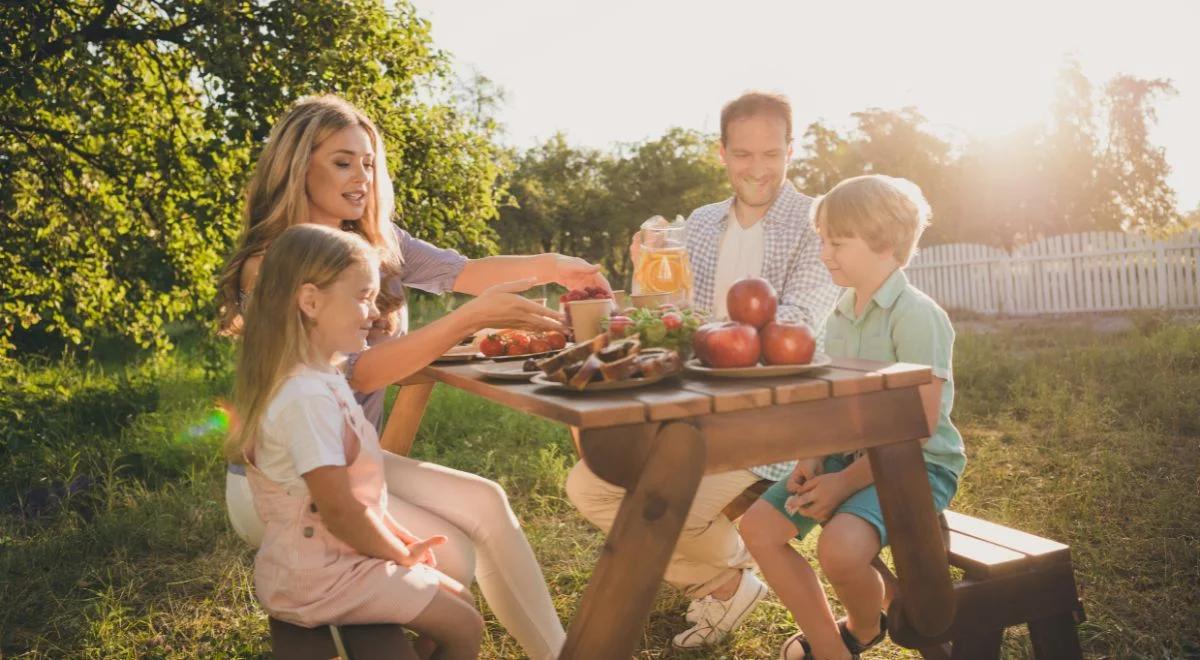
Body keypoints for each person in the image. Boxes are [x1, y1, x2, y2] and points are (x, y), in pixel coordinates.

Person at [219, 95, 580, 659]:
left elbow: (464, 271)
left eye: (367, 163)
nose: (361, 176)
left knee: (486, 501)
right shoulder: (275, 264)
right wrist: (468, 320)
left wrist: (555, 267)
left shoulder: (372, 243)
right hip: (291, 483)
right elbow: (353, 372)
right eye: (342, 161)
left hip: (351, 462)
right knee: (453, 556)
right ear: (297, 166)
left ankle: (561, 655)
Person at [564, 92, 841, 649]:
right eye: (743, 155)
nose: (757, 169)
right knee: (588, 486)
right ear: (721, 153)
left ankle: (725, 580)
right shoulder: (701, 224)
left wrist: (703, 331)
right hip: (693, 412)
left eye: (771, 154)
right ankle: (726, 581)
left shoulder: (819, 225)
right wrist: (644, 282)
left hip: (773, 426)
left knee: (653, 504)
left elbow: (797, 324)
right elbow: (666, 321)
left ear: (792, 150)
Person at [738, 175, 966, 659]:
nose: (824, 254)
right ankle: (830, 650)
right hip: (853, 454)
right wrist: (813, 459)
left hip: (919, 466)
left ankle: (861, 630)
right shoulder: (840, 315)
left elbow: (918, 425)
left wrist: (843, 485)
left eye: (837, 242)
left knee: (839, 551)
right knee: (758, 528)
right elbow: (836, 407)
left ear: (884, 243)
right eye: (823, 240)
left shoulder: (916, 315)